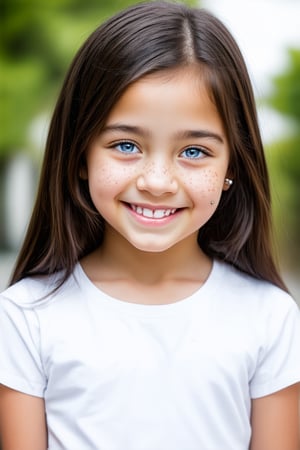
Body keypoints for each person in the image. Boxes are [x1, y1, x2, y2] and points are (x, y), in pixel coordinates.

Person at [0, 1, 299, 449]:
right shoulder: (26, 318)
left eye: (194, 152)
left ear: (232, 165)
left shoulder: (269, 318)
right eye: (125, 145)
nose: (157, 182)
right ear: (81, 155)